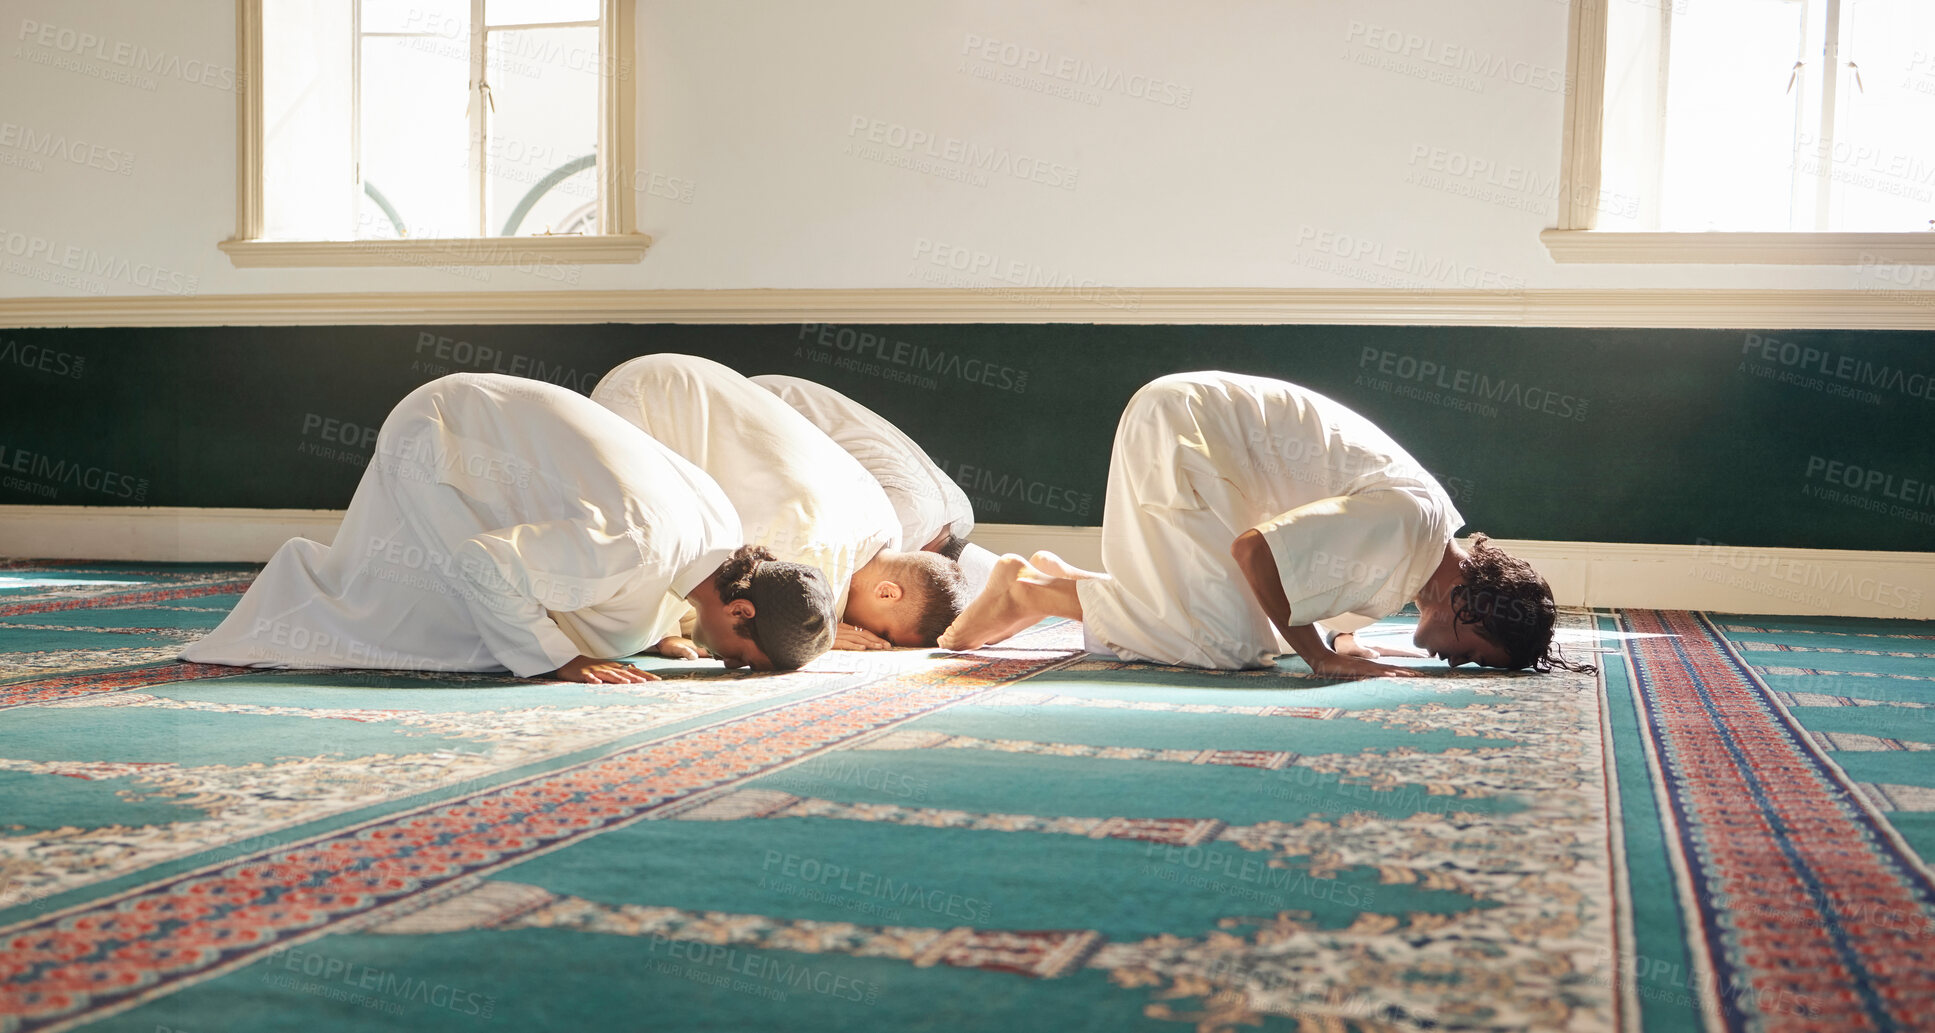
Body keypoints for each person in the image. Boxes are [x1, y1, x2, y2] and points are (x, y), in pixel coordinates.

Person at [180, 373, 837, 680]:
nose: (727, 663)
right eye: (740, 656)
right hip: (442, 439)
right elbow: (484, 563)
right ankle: (300, 586)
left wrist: (655, 632)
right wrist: (560, 661)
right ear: (743, 609)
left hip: (486, 427)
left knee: (552, 603)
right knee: (455, 627)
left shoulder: (717, 526)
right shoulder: (636, 546)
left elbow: (646, 576)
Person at [938, 371, 1590, 677]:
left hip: (1209, 442)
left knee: (1253, 627)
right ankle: (1029, 592)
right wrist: (1317, 657)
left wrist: (1345, 643)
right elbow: (1257, 551)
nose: (1454, 662)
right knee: (1232, 644)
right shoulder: (1408, 526)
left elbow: (1322, 576)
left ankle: (1064, 582)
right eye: (1471, 654)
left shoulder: (1420, 542)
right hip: (1185, 427)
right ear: (1472, 605)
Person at [591, 355, 969, 649]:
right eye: (882, 630)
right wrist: (812, 635)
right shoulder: (809, 548)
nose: (870, 636)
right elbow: (717, 609)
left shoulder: (883, 519)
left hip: (680, 373)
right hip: (637, 405)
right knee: (638, 568)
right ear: (887, 592)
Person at [748, 374, 1001, 591]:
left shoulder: (957, 510)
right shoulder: (906, 522)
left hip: (773, 399)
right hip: (759, 409)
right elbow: (828, 573)